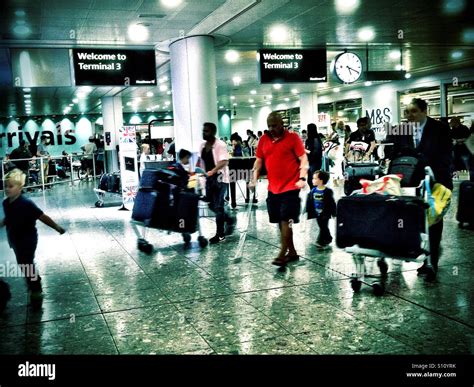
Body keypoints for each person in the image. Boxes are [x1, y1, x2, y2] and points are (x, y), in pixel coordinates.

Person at [249, 112, 309, 267]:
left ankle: (282, 253)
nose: (271, 128)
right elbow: (259, 161)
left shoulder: (293, 138)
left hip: (291, 187)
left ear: (282, 123)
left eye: (274, 125)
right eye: (269, 125)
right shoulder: (263, 139)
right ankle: (292, 251)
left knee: (286, 220)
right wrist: (253, 179)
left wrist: (302, 178)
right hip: (273, 188)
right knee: (279, 221)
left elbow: (303, 159)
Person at [0, 169, 66, 306]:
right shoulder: (6, 203)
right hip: (15, 239)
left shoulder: (26, 204)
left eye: (11, 186)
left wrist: (57, 227)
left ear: (20, 187)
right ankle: (34, 281)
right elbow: (9, 218)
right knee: (23, 264)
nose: (7, 189)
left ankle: (35, 287)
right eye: (5, 185)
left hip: (28, 239)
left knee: (27, 263)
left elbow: (42, 217)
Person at [405, 98, 453, 282]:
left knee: (433, 221)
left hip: (436, 182)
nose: (410, 115)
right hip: (415, 182)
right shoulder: (404, 129)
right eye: (407, 112)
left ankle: (432, 263)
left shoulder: (439, 128)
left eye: (414, 111)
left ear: (425, 111)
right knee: (419, 221)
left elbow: (446, 155)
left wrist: (434, 171)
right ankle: (424, 258)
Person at [199, 122, 236, 244]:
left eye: (207, 131)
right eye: (203, 130)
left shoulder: (220, 145)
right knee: (211, 205)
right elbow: (201, 162)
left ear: (213, 132)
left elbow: (224, 162)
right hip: (209, 179)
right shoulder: (202, 146)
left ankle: (220, 234)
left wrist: (213, 171)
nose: (204, 133)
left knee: (219, 206)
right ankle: (229, 219)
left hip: (220, 178)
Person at [306, 170, 337, 248]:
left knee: (323, 226)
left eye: (315, 178)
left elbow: (331, 203)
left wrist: (334, 213)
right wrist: (306, 210)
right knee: (322, 226)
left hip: (325, 213)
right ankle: (326, 239)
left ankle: (322, 241)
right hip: (317, 213)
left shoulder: (327, 191)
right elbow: (309, 201)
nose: (312, 180)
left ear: (321, 180)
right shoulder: (313, 191)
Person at [305, 123, 323, 189]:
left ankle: (315, 193)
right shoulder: (309, 140)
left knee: (314, 180)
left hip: (315, 162)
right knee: (310, 180)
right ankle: (313, 192)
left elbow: (316, 153)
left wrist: (306, 151)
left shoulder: (315, 139)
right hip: (310, 162)